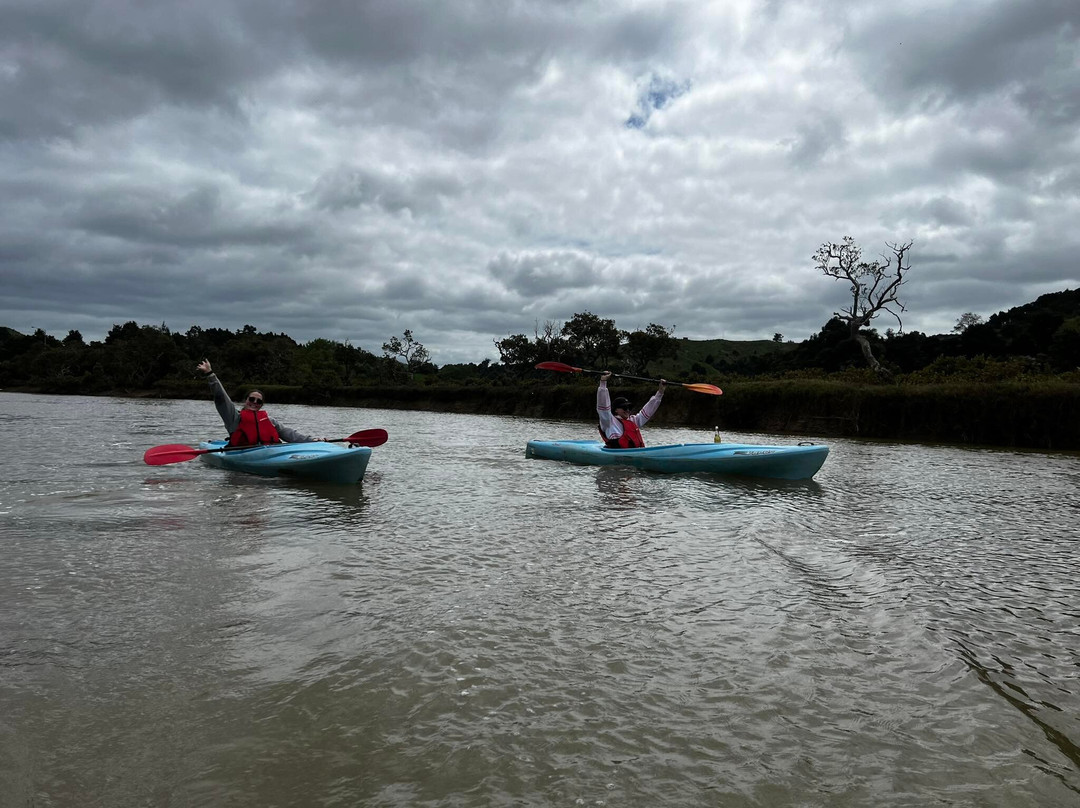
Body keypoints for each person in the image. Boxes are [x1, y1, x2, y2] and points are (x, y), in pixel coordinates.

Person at [197, 359, 321, 445]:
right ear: (245, 401)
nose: (254, 402)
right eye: (251, 399)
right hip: (243, 452)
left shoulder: (269, 420)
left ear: (261, 405)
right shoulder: (234, 418)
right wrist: (210, 374)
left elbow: (289, 434)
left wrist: (313, 441)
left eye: (258, 401)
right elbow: (222, 399)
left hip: (268, 452)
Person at [596, 370, 665, 448]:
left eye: (629, 407)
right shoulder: (608, 421)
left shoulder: (632, 421)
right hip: (617, 455)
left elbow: (647, 412)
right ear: (616, 410)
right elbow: (603, 407)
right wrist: (603, 382)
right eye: (624, 408)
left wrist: (660, 392)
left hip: (633, 453)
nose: (628, 410)